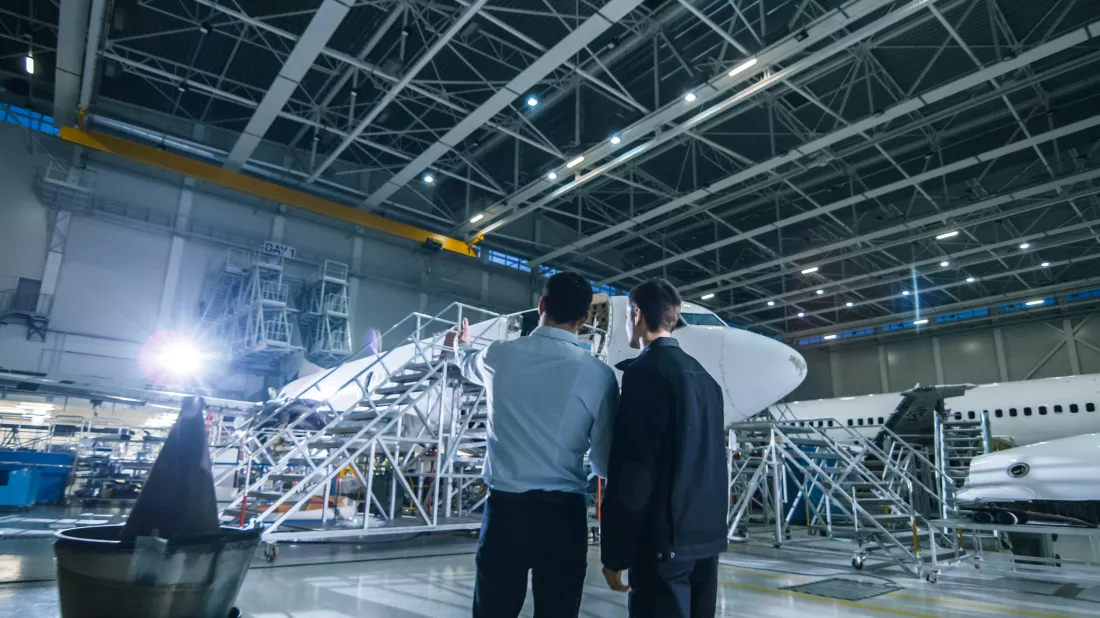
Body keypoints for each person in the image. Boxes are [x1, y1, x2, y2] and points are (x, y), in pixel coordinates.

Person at [452, 271, 620, 618]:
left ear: (541, 305)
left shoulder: (499, 356)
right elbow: (603, 464)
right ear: (585, 319)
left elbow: (467, 364)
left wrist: (459, 344)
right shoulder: (599, 375)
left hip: (505, 513)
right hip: (563, 517)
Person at [600, 279, 727, 618]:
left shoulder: (645, 374)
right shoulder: (708, 381)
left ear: (636, 314)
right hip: (705, 542)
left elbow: (634, 471)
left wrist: (614, 552)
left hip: (664, 542)